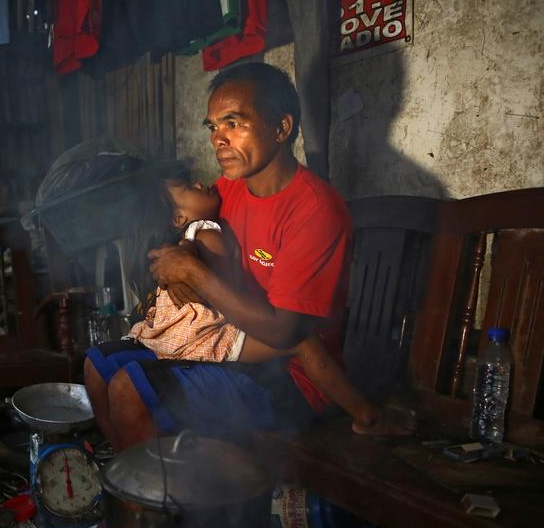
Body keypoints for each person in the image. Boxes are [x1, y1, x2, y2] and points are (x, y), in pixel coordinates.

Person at [85, 62, 415, 450]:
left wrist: (192, 271)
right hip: (229, 341)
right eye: (213, 127)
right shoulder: (228, 189)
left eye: (233, 123)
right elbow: (182, 233)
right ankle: (129, 476)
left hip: (292, 376)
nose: (218, 139)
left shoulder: (313, 210)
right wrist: (175, 264)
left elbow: (284, 333)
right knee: (99, 364)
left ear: (281, 128)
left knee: (130, 388)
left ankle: (161, 487)